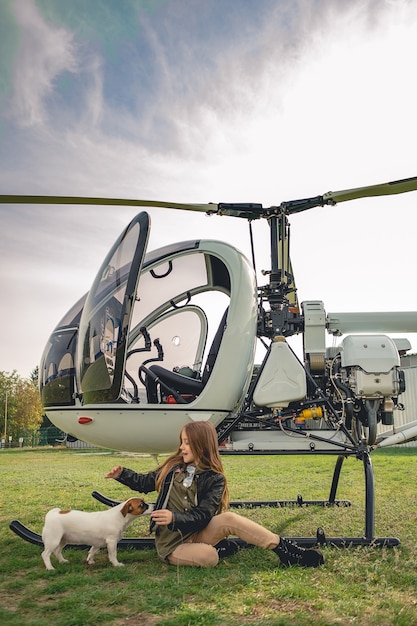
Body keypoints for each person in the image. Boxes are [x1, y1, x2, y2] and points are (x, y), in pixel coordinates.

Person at [105, 420, 324, 568]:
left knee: (229, 518)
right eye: (181, 442)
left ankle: (287, 551)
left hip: (198, 531)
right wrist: (122, 474)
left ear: (201, 445)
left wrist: (176, 517)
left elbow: (204, 515)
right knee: (209, 558)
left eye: (187, 443)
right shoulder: (172, 467)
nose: (181, 447)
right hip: (172, 543)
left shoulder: (215, 478)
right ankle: (217, 549)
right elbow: (144, 482)